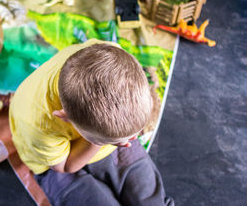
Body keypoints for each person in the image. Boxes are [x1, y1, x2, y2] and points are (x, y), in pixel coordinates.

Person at [9, 38, 174, 206]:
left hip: (100, 132)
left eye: (133, 135)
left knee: (150, 200)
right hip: (57, 164)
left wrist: (117, 136)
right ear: (66, 117)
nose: (132, 140)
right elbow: (66, 167)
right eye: (125, 139)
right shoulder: (39, 123)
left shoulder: (111, 53)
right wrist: (104, 142)